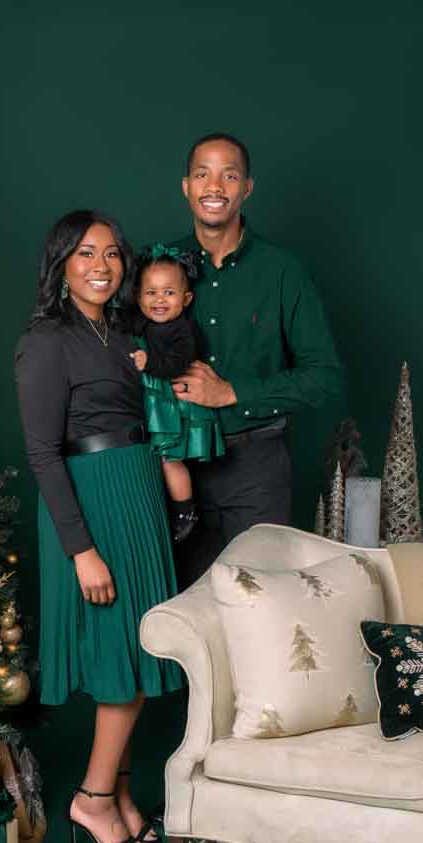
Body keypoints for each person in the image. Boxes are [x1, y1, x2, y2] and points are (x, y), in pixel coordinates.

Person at [14, 210, 182, 843]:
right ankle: (92, 800)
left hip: (135, 500)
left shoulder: (122, 332)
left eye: (112, 253)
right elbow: (42, 455)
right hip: (92, 508)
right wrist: (81, 550)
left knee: (138, 657)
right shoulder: (46, 340)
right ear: (61, 262)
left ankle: (121, 791)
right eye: (86, 253)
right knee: (118, 666)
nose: (102, 265)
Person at [170, 132, 346, 585]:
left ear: (247, 187)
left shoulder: (282, 271)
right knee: (183, 607)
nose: (214, 186)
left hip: (257, 467)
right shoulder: (158, 269)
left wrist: (232, 393)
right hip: (177, 468)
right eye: (202, 174)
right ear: (185, 185)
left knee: (261, 604)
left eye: (229, 175)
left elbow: (325, 377)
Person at [128, 243, 225, 544]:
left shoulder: (184, 330)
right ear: (139, 298)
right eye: (151, 293)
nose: (159, 300)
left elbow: (178, 363)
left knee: (170, 459)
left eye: (168, 293)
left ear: (186, 299)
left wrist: (150, 363)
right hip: (158, 405)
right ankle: (170, 505)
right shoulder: (141, 321)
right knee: (155, 460)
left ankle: (186, 510)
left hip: (178, 409)